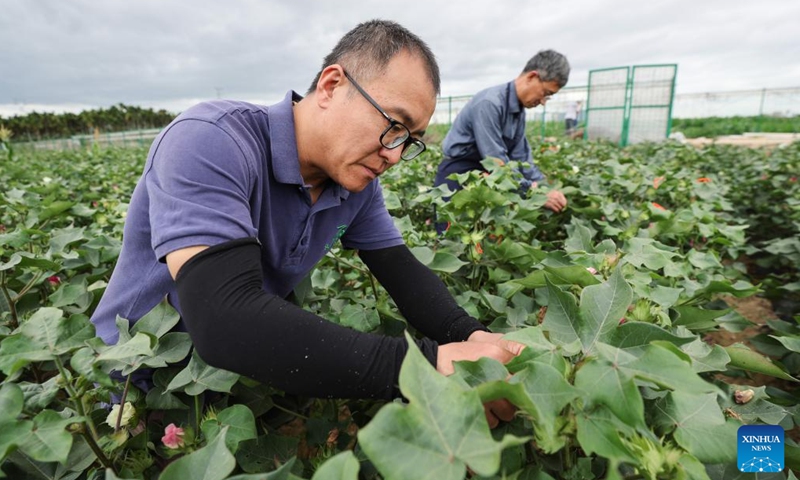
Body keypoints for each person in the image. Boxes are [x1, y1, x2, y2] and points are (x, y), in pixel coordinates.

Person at [90, 20, 521, 427]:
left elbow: (402, 272)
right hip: (131, 386)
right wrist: (422, 367)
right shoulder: (211, 139)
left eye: (408, 142)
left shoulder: (355, 185)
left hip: (234, 381)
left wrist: (473, 336)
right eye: (394, 126)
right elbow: (222, 317)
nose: (393, 155)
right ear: (332, 85)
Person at [433, 50, 570, 232]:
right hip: (458, 173)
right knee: (448, 234)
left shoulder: (518, 111)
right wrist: (535, 192)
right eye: (545, 93)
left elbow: (522, 158)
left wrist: (545, 187)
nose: (544, 101)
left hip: (484, 175)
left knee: (482, 235)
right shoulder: (490, 103)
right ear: (532, 77)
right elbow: (495, 162)